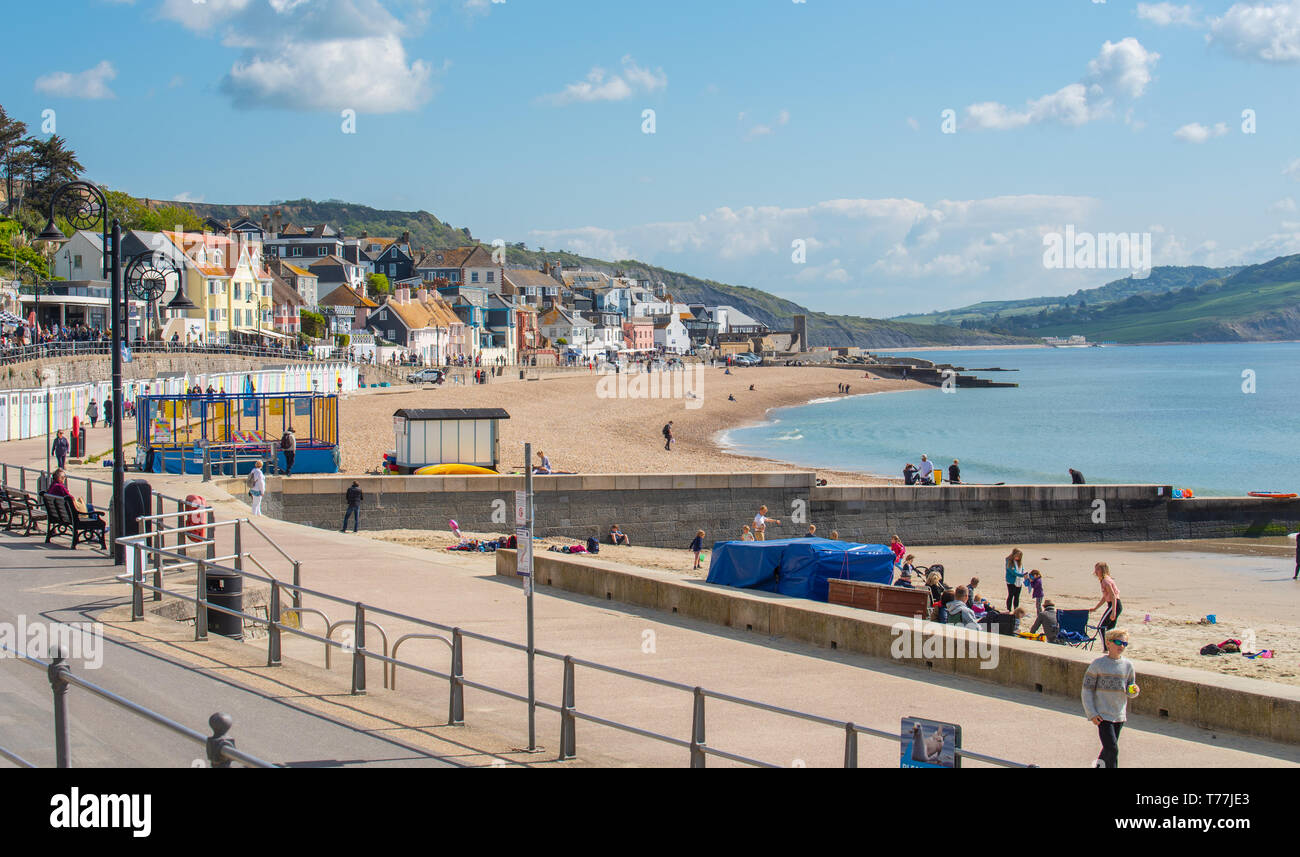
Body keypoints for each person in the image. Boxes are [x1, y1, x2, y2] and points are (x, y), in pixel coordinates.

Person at [1082, 628, 1139, 768]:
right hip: (1102, 715)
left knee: (1108, 750)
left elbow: (1130, 689)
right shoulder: (1098, 664)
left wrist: (1134, 691)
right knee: (1112, 749)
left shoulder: (1128, 666)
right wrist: (1092, 714)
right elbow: (1086, 690)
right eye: (1118, 642)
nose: (1121, 646)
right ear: (1108, 643)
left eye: (1125, 644)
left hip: (1119, 715)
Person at [1089, 561, 1122, 633]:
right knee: (1110, 630)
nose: (1096, 571)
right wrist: (1095, 608)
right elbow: (1105, 597)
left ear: (1103, 570)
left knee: (1101, 628)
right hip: (1115, 605)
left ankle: (1105, 644)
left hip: (1114, 605)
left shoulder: (1105, 580)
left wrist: (1113, 612)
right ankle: (1110, 644)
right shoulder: (1104, 580)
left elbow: (1113, 596)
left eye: (1098, 569)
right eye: (1095, 569)